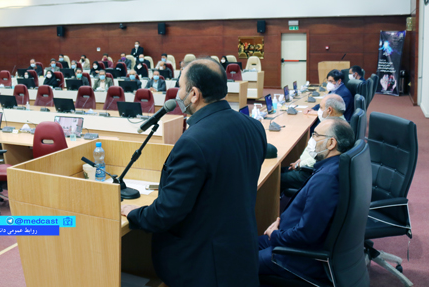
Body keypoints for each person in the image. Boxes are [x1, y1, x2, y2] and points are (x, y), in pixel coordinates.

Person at [122, 58, 266, 286]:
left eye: (180, 87)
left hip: (204, 266)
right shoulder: (254, 127)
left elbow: (166, 214)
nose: (178, 93)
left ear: (194, 94)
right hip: (241, 252)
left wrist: (133, 212)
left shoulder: (193, 142)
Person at [259, 118, 355, 282]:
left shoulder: (326, 179)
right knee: (241, 247)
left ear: (331, 143)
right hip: (288, 237)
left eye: (316, 135)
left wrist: (276, 235)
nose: (312, 140)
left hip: (297, 255)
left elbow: (306, 235)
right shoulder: (332, 166)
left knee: (238, 262)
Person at [281, 94, 346, 193]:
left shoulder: (331, 130)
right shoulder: (339, 123)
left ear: (329, 110)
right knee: (281, 170)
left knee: (276, 178)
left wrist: (299, 164)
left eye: (321, 108)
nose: (318, 111)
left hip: (310, 173)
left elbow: (319, 157)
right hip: (308, 166)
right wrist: (300, 160)